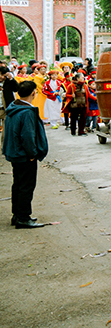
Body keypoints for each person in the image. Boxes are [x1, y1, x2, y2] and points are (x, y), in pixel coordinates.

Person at [2, 81, 49, 228]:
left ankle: (17, 214)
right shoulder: (27, 112)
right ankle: (23, 217)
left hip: (14, 152)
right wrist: (32, 154)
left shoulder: (13, 108)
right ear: (34, 93)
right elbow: (27, 135)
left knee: (18, 184)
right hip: (24, 154)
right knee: (26, 186)